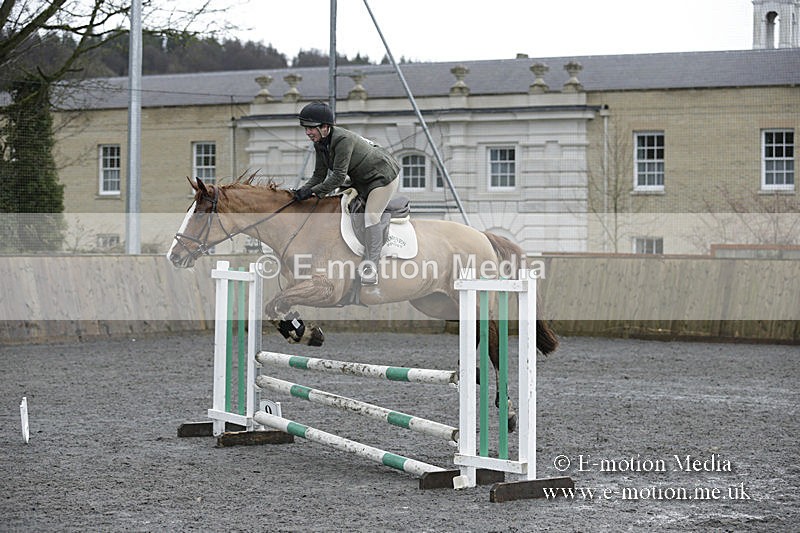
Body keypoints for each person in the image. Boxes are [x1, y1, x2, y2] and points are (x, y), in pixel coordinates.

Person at [294, 101, 400, 286]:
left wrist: (313, 192)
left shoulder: (342, 139)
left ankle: (371, 268)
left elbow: (337, 177)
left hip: (382, 177)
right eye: (305, 128)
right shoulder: (320, 143)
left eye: (311, 128)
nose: (307, 132)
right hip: (360, 178)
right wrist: (302, 191)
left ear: (325, 127)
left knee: (371, 216)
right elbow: (319, 175)